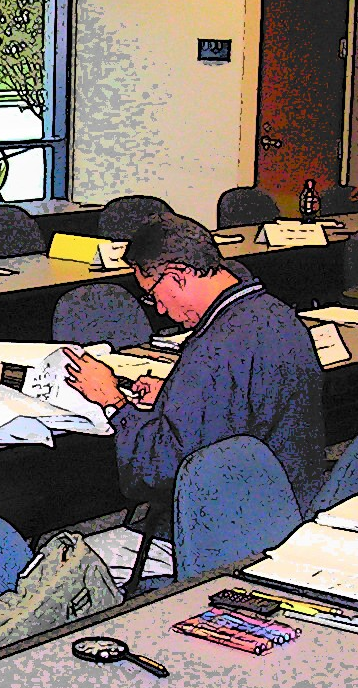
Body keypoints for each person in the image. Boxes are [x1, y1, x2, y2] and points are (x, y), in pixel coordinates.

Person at [61, 213, 326, 512]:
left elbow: (161, 469)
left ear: (177, 275)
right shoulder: (277, 314)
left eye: (153, 295)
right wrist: (173, 392)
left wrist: (113, 402)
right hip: (293, 491)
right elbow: (241, 403)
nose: (160, 309)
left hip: (238, 513)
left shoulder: (212, 350)